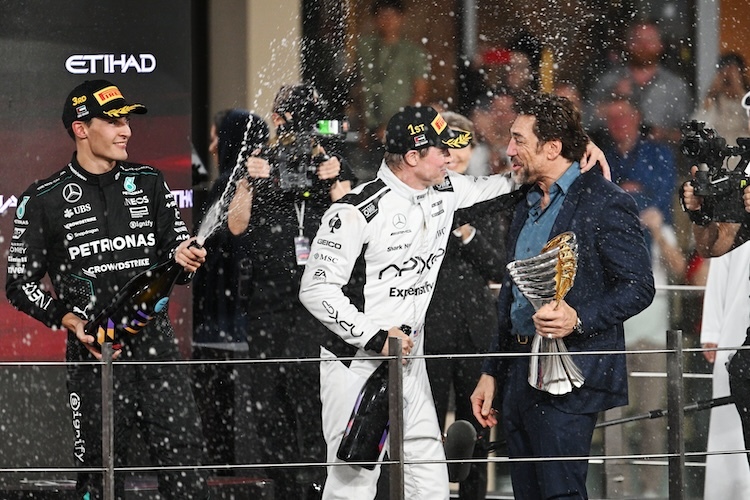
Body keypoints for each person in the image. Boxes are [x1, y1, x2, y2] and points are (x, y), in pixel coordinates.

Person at [298, 104, 608, 499]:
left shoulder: (447, 188)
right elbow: (315, 289)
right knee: (352, 484)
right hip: (356, 364)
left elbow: (514, 184)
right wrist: (375, 337)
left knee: (430, 484)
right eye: (441, 150)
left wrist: (575, 150)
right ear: (412, 157)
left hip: (411, 361)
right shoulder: (354, 210)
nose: (451, 157)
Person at [5, 79, 209, 499]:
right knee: (98, 474)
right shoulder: (42, 199)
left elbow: (176, 256)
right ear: (81, 128)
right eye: (113, 120)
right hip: (93, 349)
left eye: (127, 120)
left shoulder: (149, 181)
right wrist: (69, 320)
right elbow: (19, 284)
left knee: (185, 465)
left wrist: (185, 258)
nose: (126, 130)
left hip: (156, 345)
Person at [470, 93, 655, 500]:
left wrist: (579, 318)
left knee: (560, 495)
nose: (509, 149)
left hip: (570, 375)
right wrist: (492, 371)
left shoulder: (607, 202)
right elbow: (512, 296)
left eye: (518, 140)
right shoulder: (524, 202)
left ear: (552, 148)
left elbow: (640, 287)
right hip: (518, 373)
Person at [226, 84, 355, 499]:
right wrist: (248, 177)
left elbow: (355, 222)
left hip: (318, 302)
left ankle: (319, 481)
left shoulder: (333, 163)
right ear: (277, 121)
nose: (297, 133)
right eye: (288, 121)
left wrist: (335, 175)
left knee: (313, 394)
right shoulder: (260, 162)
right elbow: (235, 226)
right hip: (268, 300)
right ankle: (282, 484)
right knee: (268, 395)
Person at [424, 111, 512, 500]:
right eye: (448, 146)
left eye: (463, 145)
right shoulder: (419, 198)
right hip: (430, 329)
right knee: (424, 425)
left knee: (476, 424)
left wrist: (466, 231)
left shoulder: (487, 198)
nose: (455, 154)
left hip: (476, 331)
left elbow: (497, 265)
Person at [601, 94, 685, 496]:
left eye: (625, 117)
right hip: (617, 333)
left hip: (652, 333)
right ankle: (617, 488)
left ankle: (653, 489)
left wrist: (653, 228)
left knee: (655, 419)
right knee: (614, 417)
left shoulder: (659, 223)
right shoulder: (610, 232)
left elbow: (680, 268)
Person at [191, 109, 269, 470]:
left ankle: (225, 479)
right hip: (242, 325)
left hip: (221, 327)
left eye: (216, 137)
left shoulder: (232, 186)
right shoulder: (255, 185)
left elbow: (228, 251)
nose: (211, 145)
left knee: (220, 422)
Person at [584, 18, 692, 145]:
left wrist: (663, 134)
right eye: (638, 40)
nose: (644, 46)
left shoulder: (675, 87)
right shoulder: (609, 81)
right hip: (614, 159)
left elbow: (688, 134)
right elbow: (585, 121)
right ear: (628, 44)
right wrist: (613, 100)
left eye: (650, 41)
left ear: (661, 45)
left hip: (661, 159)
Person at [353, 0, 430, 175]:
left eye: (392, 15)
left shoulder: (413, 52)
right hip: (370, 126)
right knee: (368, 177)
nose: (387, 20)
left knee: (398, 175)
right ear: (375, 18)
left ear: (401, 18)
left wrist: (393, 125)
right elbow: (359, 88)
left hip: (399, 129)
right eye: (382, 15)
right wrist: (362, 126)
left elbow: (420, 93)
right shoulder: (365, 47)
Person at [700, 245, 750, 499]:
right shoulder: (736, 216)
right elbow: (721, 260)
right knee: (728, 422)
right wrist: (711, 329)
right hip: (734, 333)